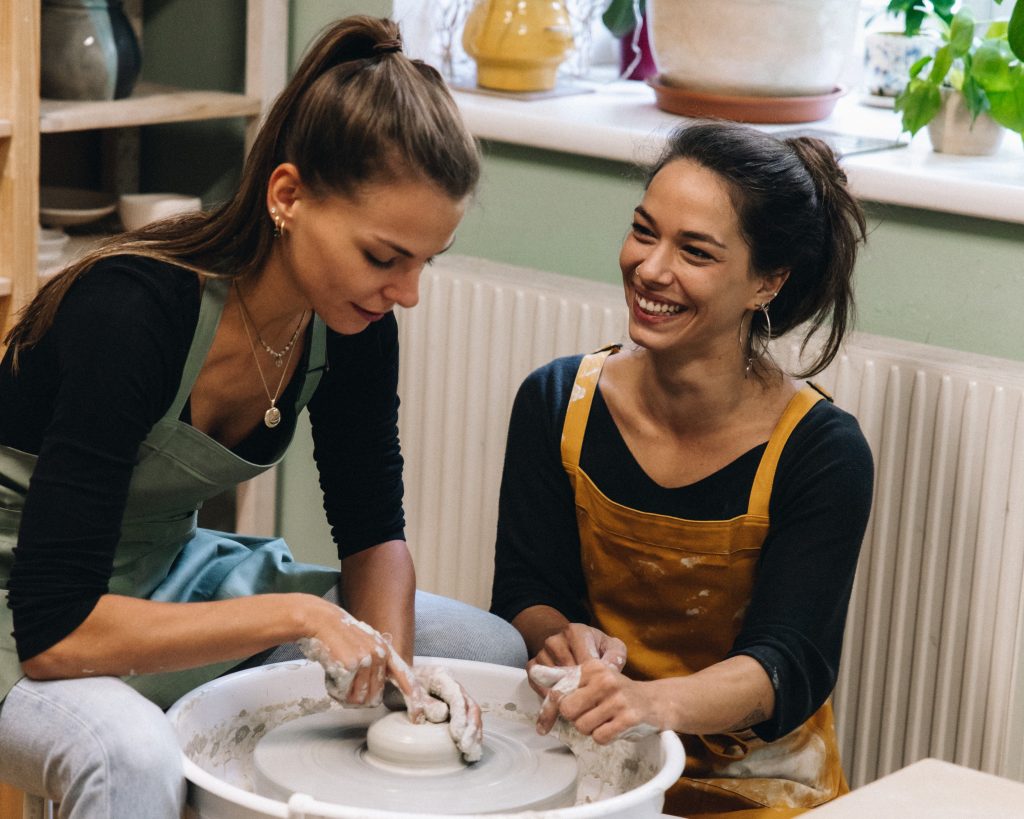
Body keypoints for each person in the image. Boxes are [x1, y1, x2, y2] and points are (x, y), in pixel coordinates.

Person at [0, 16, 524, 817]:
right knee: (128, 752)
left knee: (486, 648)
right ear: (288, 195)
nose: (406, 292)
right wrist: (303, 615)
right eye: (385, 257)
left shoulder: (351, 320)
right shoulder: (131, 313)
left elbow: (374, 534)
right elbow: (55, 633)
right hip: (26, 599)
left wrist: (397, 684)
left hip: (161, 576)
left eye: (425, 262)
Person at [491, 121, 874, 818]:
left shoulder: (822, 451)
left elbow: (787, 662)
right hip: (594, 759)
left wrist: (647, 701)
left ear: (767, 281)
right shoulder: (556, 403)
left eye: (694, 251)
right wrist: (558, 634)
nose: (651, 268)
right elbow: (524, 587)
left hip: (759, 784)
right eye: (645, 231)